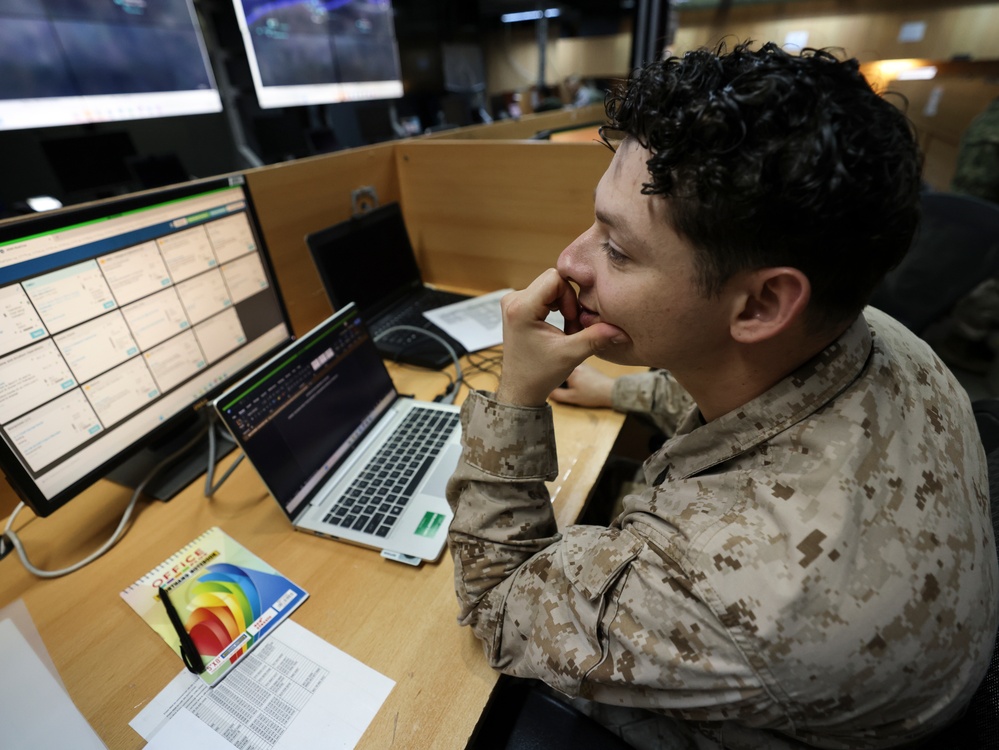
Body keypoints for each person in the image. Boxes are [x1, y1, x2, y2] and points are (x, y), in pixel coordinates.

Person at [445, 41, 999, 749]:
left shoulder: (730, 589)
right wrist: (619, 393)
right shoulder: (885, 339)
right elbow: (750, 400)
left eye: (617, 249)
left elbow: (497, 600)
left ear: (764, 303)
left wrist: (518, 396)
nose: (569, 261)